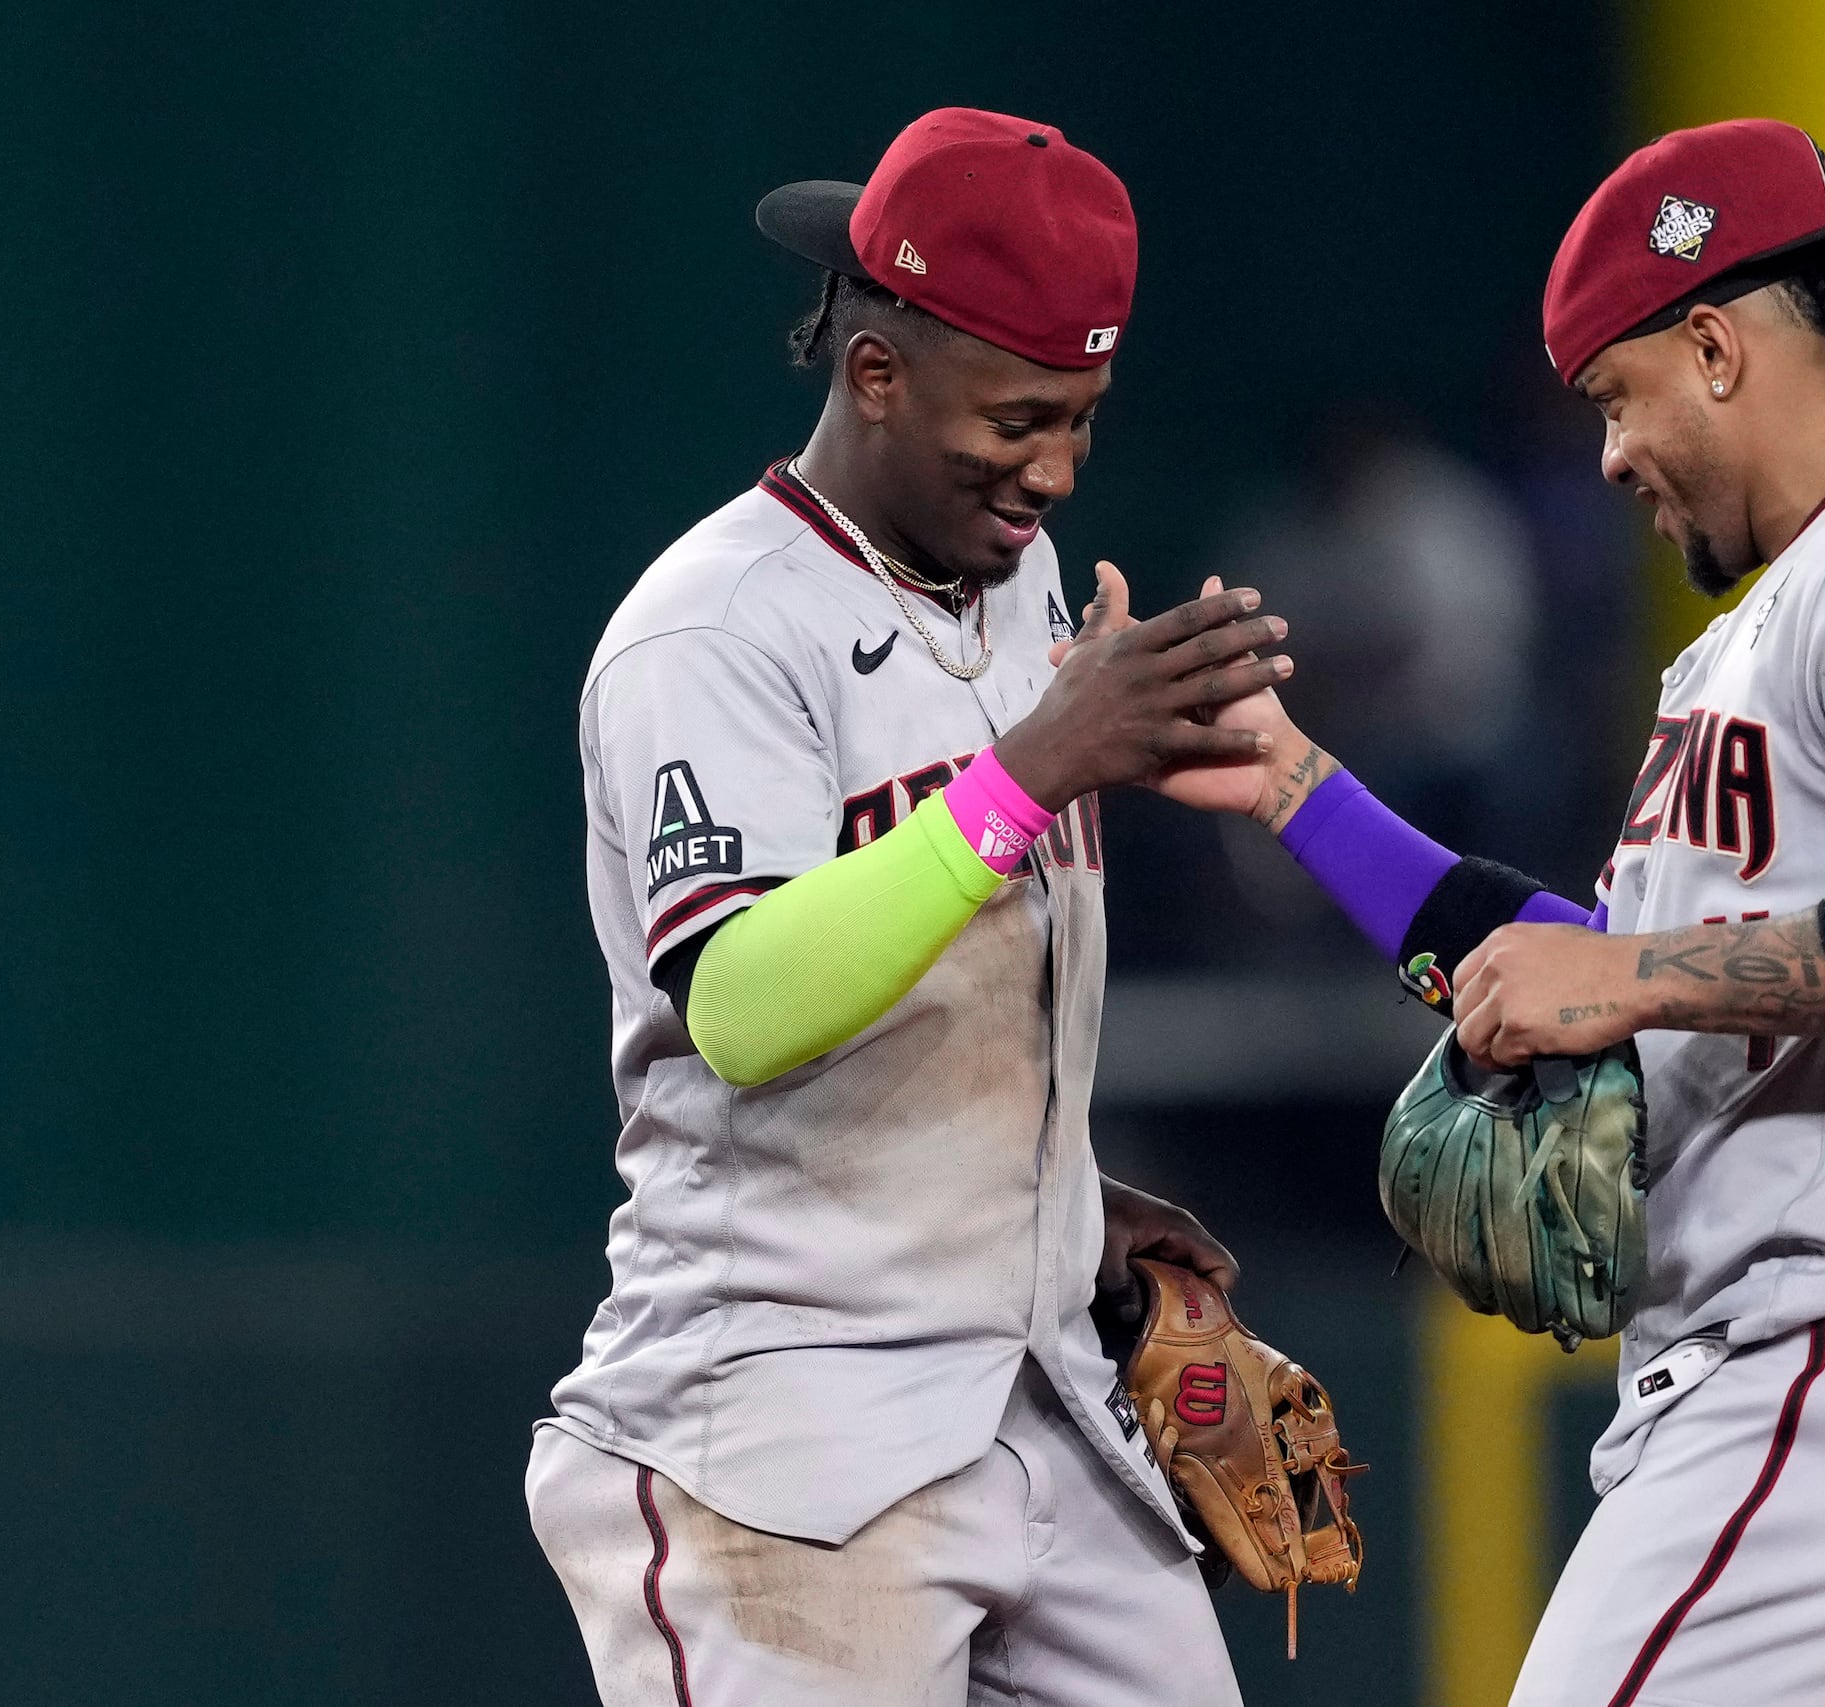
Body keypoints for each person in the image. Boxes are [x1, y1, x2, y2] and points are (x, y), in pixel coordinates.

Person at [1166, 120, 1825, 1704]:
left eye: (1615, 394)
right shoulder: (1777, 620)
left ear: (1713, 345)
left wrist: (1634, 980)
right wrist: (1301, 791)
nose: (1608, 456)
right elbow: (1581, 966)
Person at [524, 108, 1291, 1707]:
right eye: (1018, 419)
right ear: (876, 374)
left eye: (1081, 417)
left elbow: (951, 967)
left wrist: (1052, 1198)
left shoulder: (1013, 579)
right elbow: (739, 1007)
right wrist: (1029, 774)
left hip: (1038, 1404)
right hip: (783, 1436)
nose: (1056, 468)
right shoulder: (715, 629)